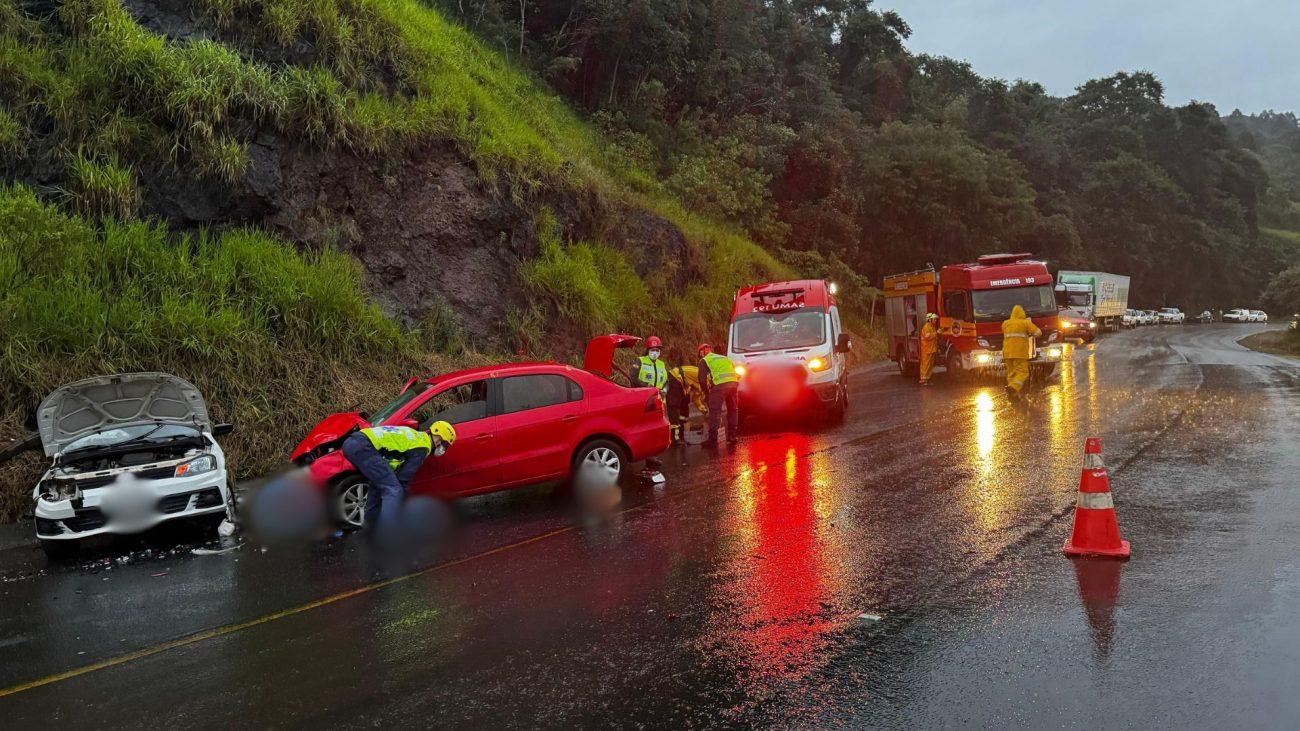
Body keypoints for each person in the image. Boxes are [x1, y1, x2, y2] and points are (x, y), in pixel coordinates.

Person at [340, 421, 456, 529]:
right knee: (394, 490)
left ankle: (369, 527)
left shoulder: (417, 436)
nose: (444, 449)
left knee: (378, 485)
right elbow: (403, 479)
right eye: (445, 444)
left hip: (354, 442)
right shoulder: (422, 448)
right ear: (438, 438)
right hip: (364, 446)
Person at [697, 343, 740, 446]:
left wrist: (707, 394)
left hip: (720, 386)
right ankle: (732, 436)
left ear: (702, 352)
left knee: (715, 411)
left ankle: (712, 440)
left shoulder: (705, 360)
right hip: (733, 384)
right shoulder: (724, 358)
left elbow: (702, 380)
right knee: (733, 410)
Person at [1001, 304, 1041, 399]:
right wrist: (1031, 334)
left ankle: (1011, 389)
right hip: (1020, 352)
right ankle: (1013, 387)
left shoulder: (1005, 323)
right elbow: (1038, 333)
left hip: (1007, 352)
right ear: (1022, 313)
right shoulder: (1025, 323)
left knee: (1011, 372)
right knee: (1023, 372)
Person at [666, 362, 706, 443]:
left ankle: (682, 433)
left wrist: (703, 410)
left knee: (685, 404)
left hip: (683, 383)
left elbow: (696, 398)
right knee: (675, 405)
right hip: (675, 377)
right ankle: (674, 438)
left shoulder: (704, 384)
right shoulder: (704, 378)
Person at [919, 312, 939, 386]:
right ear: (929, 320)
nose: (935, 320)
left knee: (930, 365)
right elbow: (928, 337)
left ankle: (927, 379)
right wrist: (936, 333)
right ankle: (923, 379)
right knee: (926, 365)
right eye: (934, 319)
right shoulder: (926, 327)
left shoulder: (932, 327)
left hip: (931, 349)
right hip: (927, 350)